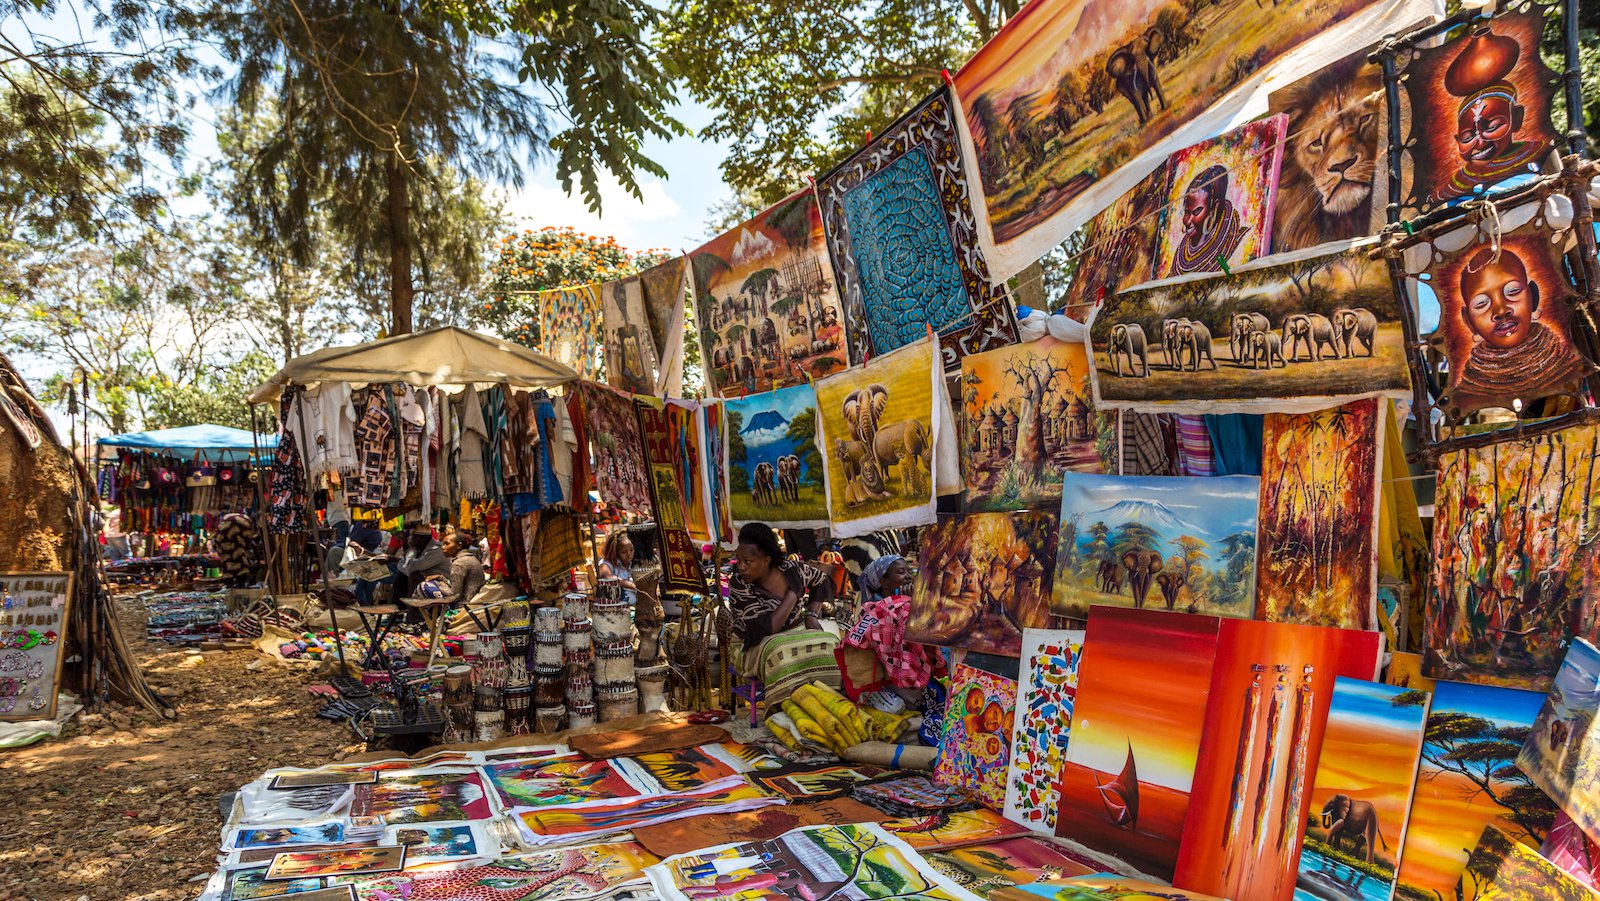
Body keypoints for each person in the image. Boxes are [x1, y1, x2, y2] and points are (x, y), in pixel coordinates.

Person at [1451, 246, 1586, 409]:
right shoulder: (1467, 396)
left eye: (1512, 291)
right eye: (1481, 303)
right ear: (1468, 321)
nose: (1501, 311)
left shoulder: (1570, 369)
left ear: (1533, 296)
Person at [1434, 25, 1548, 203]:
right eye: (1467, 138)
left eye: (1493, 127)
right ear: (1456, 140)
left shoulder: (1538, 155)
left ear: (1516, 119)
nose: (1479, 142)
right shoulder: (1455, 185)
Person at [727, 522, 835, 652]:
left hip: (794, 637)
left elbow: (823, 580)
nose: (741, 567)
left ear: (766, 560)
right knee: (780, 655)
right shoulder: (739, 583)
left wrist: (811, 615)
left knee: (832, 644)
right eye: (738, 560)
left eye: (747, 561)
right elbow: (766, 629)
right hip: (754, 646)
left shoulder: (792, 570)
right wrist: (792, 595)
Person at [1167, 165, 1249, 277]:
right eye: (1187, 213)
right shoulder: (1178, 261)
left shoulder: (1244, 242)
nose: (1188, 220)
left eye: (1196, 212)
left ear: (1215, 206)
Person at [419, 529, 486, 607]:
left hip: (465, 606)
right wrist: (441, 577)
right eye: (443, 544)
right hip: (476, 603)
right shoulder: (470, 558)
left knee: (424, 586)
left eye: (447, 544)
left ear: (459, 545)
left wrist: (439, 585)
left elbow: (454, 596)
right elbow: (457, 585)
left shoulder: (459, 563)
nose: (443, 548)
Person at [211, 510, 263, 587]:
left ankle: (229, 588)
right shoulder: (247, 522)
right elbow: (249, 542)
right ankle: (239, 588)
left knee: (228, 565)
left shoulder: (238, 517)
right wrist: (256, 560)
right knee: (240, 567)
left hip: (221, 541)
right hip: (234, 542)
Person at [396, 525, 450, 596]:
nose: (409, 539)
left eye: (412, 537)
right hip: (428, 580)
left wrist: (412, 550)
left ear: (421, 539)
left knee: (413, 574)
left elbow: (410, 567)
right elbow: (407, 565)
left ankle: (412, 605)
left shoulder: (436, 549)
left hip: (441, 584)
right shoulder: (422, 548)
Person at [596, 530, 639, 605]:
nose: (629, 555)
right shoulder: (607, 563)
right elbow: (606, 576)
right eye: (624, 552)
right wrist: (632, 585)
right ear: (616, 552)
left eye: (631, 550)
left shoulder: (636, 563)